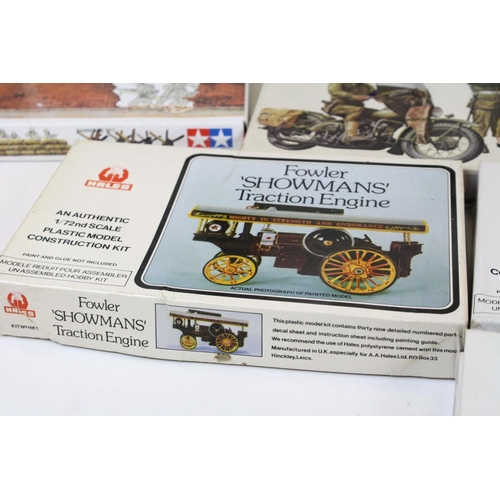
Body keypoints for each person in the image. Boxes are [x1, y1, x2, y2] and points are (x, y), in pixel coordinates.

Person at [468, 83, 500, 152]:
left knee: (498, 125)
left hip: (497, 103)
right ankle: (479, 144)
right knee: (480, 125)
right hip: (482, 103)